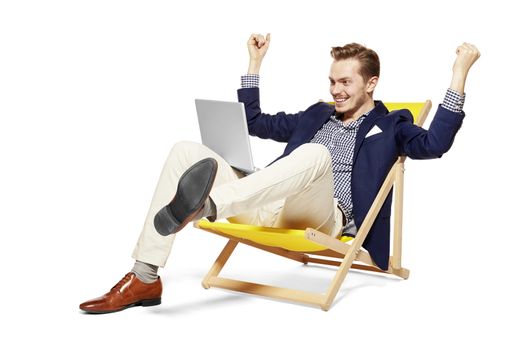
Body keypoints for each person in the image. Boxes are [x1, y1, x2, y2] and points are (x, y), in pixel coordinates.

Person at [79, 33, 480, 314]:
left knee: (314, 154)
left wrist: (459, 74)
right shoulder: (315, 113)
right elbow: (255, 121)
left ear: (371, 83)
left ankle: (206, 205)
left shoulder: (392, 124)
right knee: (185, 150)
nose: (336, 90)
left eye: (345, 82)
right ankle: (144, 276)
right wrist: (255, 62)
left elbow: (435, 145)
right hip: (267, 202)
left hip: (325, 215)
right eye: (332, 81)